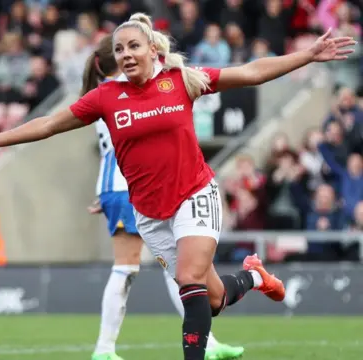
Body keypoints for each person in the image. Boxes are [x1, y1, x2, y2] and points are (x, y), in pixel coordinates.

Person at [0, 13, 355, 360]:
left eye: (133, 47)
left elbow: (250, 73)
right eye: (120, 49)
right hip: (148, 212)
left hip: (195, 194)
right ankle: (254, 276)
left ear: (152, 50)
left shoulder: (182, 80)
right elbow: (50, 124)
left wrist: (307, 55)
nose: (126, 54)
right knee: (210, 300)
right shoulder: (106, 97)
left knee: (190, 282)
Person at [84, 34, 243, 360]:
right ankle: (104, 348)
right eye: (122, 49)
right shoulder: (117, 92)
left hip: (122, 187)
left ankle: (207, 342)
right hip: (134, 187)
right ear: (115, 59)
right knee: (131, 268)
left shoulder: (107, 94)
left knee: (182, 270)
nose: (130, 54)